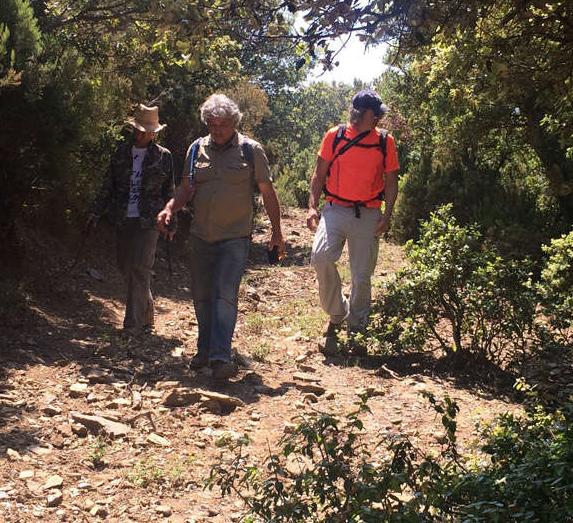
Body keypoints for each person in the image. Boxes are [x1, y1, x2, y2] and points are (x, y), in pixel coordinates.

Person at [157, 93, 284, 379]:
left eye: (222, 125)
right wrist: (169, 209)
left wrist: (277, 232)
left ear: (234, 123)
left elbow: (267, 192)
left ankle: (220, 357)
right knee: (202, 296)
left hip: (235, 237)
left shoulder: (251, 150)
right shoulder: (196, 149)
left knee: (225, 295)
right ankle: (204, 350)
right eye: (211, 125)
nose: (216, 130)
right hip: (201, 235)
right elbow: (186, 188)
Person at [306, 89, 400, 341]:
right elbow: (319, 174)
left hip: (369, 211)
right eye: (376, 114)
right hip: (335, 208)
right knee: (321, 257)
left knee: (361, 275)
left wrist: (387, 214)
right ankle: (338, 313)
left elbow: (391, 181)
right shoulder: (334, 136)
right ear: (362, 114)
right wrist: (313, 206)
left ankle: (358, 329)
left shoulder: (384, 141)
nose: (379, 119)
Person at [87, 104, 175, 332]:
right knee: (125, 266)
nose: (141, 134)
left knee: (140, 268)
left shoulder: (163, 156)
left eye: (146, 130)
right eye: (138, 129)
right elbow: (109, 184)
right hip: (123, 217)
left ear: (153, 133)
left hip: (150, 220)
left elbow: (170, 191)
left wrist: (171, 220)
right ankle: (146, 314)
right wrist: (96, 211)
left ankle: (132, 325)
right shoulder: (120, 153)